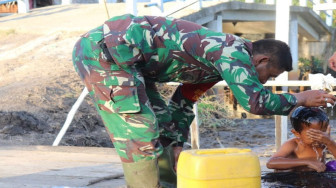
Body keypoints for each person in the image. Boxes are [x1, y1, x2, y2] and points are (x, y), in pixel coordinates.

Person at [72, 14, 336, 188]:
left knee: (163, 125)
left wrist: (176, 144)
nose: (266, 81)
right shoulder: (232, 52)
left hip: (135, 65)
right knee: (140, 131)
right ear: (261, 60)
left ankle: (167, 183)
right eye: (270, 75)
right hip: (106, 54)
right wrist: (300, 97)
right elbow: (256, 103)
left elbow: (184, 101)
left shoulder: (217, 65)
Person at [267, 106, 336, 172]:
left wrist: (330, 142)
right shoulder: (294, 144)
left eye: (322, 133)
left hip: (314, 179)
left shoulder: (324, 142)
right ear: (297, 133)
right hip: (293, 180)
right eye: (312, 134)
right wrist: (306, 161)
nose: (318, 138)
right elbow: (271, 163)